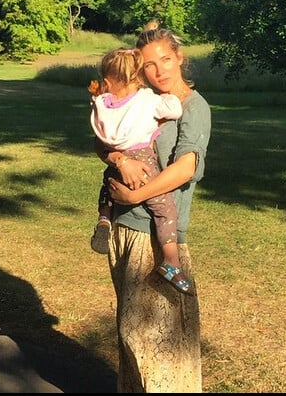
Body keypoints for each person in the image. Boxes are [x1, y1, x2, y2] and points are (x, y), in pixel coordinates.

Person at [96, 22, 212, 393]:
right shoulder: (138, 98)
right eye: (149, 64)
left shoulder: (194, 108)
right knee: (129, 333)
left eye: (166, 59)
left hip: (156, 237)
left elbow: (186, 167)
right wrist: (120, 161)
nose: (159, 69)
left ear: (180, 58)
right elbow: (103, 140)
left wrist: (133, 195)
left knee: (157, 340)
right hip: (122, 230)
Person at [88, 47, 194, 295]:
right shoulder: (146, 100)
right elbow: (174, 109)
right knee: (163, 207)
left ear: (107, 81)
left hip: (116, 159)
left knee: (109, 187)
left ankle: (104, 219)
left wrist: (119, 160)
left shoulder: (102, 104)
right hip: (142, 160)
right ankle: (171, 262)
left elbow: (100, 140)